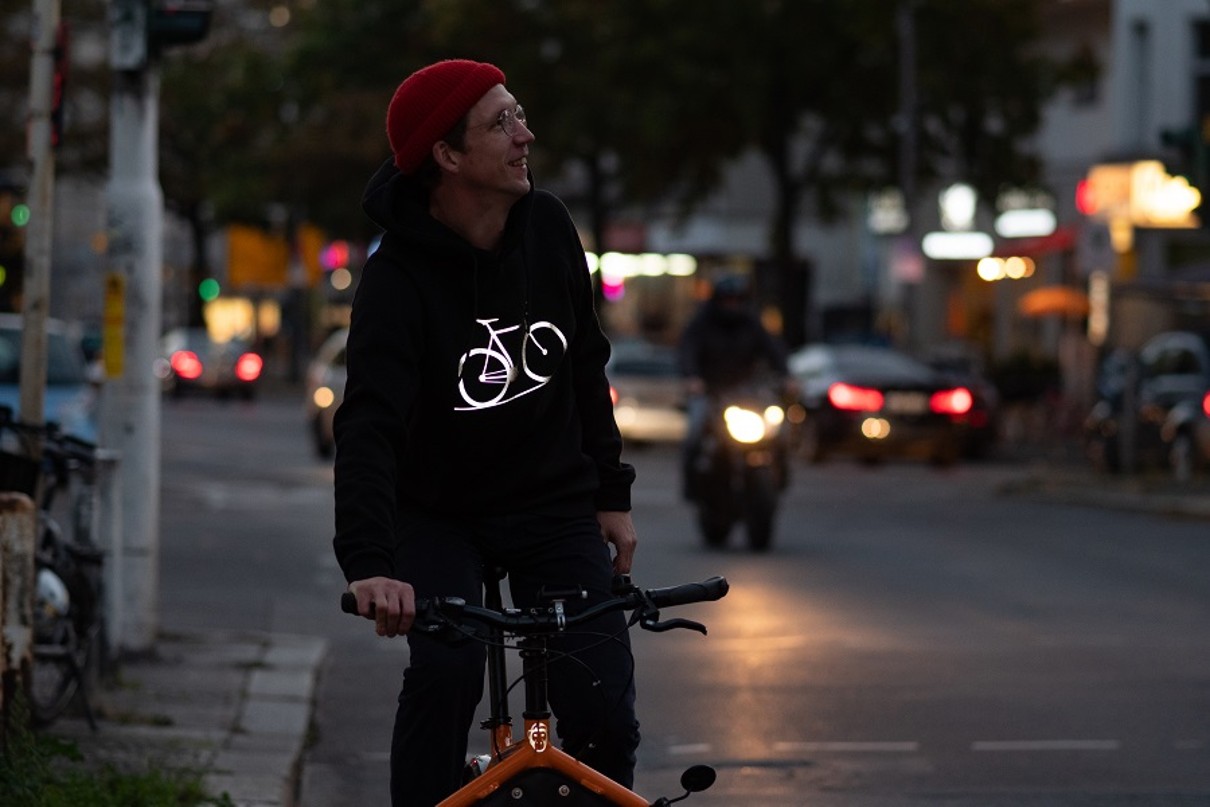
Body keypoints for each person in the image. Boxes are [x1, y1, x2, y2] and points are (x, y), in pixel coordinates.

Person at [332, 59, 640, 806]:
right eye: (501, 123)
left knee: (602, 700)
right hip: (437, 510)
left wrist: (611, 491)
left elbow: (585, 364)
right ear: (447, 154)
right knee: (445, 668)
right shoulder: (397, 276)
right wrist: (370, 562)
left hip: (550, 502)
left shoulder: (550, 226)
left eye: (520, 113)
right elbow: (368, 422)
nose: (525, 134)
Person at [677, 274, 790, 497]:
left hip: (747, 393)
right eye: (728, 299)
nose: (733, 304)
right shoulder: (701, 323)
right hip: (710, 391)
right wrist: (692, 378)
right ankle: (691, 487)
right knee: (694, 433)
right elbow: (687, 350)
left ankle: (781, 477)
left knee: (780, 429)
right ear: (717, 300)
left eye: (738, 299)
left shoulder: (752, 323)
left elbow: (773, 349)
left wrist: (786, 376)